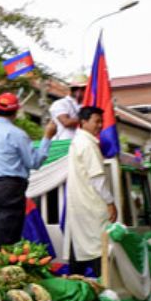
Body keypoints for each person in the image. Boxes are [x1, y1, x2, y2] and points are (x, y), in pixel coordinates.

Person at [0, 92, 57, 247]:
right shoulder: (17, 135)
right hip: (8, 188)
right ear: (16, 112)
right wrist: (47, 137)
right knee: (8, 239)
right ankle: (6, 269)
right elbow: (34, 162)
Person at [64, 105, 117, 277]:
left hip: (80, 206)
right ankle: (104, 290)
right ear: (84, 122)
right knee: (98, 250)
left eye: (101, 121)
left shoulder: (77, 142)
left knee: (80, 248)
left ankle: (75, 285)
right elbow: (98, 179)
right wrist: (110, 203)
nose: (100, 125)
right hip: (92, 205)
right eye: (97, 121)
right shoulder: (87, 144)